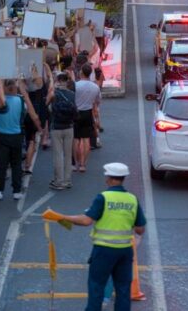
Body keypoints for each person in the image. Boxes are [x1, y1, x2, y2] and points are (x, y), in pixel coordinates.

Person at [60, 163, 145, 311]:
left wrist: (62, 217)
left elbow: (86, 220)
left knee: (96, 287)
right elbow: (140, 229)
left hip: (104, 250)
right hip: (125, 251)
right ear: (123, 178)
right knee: (123, 289)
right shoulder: (132, 199)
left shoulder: (103, 198)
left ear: (110, 179)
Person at [0, 79, 40, 201]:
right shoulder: (20, 100)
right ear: (15, 88)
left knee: (0, 165)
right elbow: (29, 113)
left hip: (1, 135)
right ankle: (16, 191)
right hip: (16, 135)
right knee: (16, 164)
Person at [49, 72, 77, 190]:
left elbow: (49, 108)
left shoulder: (54, 94)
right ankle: (67, 180)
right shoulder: (72, 94)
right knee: (67, 154)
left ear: (58, 80)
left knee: (58, 155)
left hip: (56, 127)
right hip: (69, 127)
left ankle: (58, 181)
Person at [74, 65, 102, 172]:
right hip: (87, 112)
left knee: (76, 139)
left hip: (76, 113)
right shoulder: (95, 87)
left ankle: (77, 162)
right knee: (86, 139)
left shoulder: (76, 85)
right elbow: (98, 101)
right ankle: (83, 164)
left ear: (81, 72)